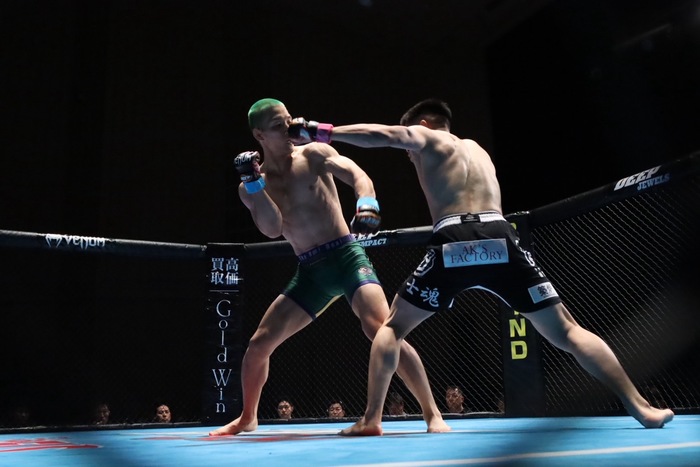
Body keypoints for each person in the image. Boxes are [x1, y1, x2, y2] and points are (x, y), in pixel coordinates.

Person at [288, 98, 675, 436]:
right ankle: (641, 406)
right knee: (569, 331)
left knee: (391, 328)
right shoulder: (480, 152)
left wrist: (322, 132)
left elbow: (385, 135)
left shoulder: (429, 138)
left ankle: (372, 418)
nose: (410, 155)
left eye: (410, 147)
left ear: (423, 124)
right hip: (499, 237)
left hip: (454, 238)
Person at [208, 98, 449, 436]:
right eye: (278, 125)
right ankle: (248, 417)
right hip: (311, 271)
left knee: (383, 329)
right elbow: (272, 228)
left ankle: (433, 414)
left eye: (289, 119)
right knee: (258, 345)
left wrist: (367, 203)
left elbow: (357, 174)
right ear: (259, 135)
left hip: (346, 256)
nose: (289, 128)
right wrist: (254, 184)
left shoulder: (313, 154)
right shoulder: (251, 186)